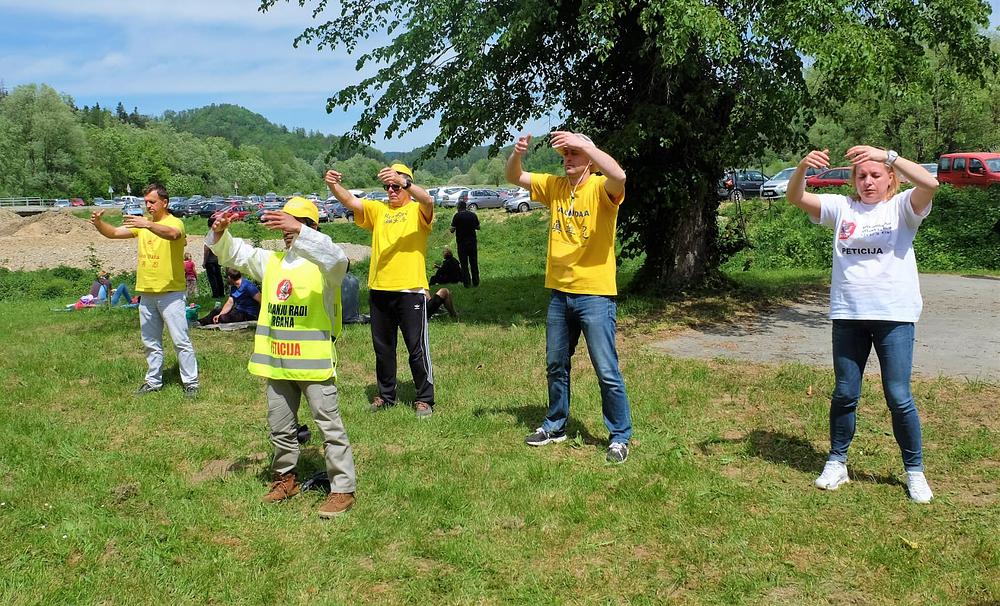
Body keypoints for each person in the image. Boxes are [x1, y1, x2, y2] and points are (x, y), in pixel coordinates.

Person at [786, 146, 938, 503]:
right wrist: (802, 167)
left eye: (876, 175)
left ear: (890, 179)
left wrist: (889, 155)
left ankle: (914, 471)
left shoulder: (902, 208)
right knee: (845, 393)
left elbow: (930, 183)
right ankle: (837, 462)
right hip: (849, 315)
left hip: (894, 316)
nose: (868, 182)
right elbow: (795, 196)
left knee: (898, 396)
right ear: (854, 181)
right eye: (862, 176)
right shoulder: (842, 207)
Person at [206, 197, 357, 517]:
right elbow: (236, 254)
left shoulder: (325, 266)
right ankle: (284, 477)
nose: (288, 229)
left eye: (297, 222)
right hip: (277, 362)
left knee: (329, 426)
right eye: (286, 222)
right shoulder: (272, 261)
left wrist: (302, 232)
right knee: (280, 426)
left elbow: (338, 258)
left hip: (313, 364)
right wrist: (220, 234)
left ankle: (343, 488)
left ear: (313, 227)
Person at [505, 131, 633, 463]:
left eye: (574, 153)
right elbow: (514, 175)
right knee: (555, 363)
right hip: (560, 294)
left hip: (595, 294)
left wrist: (587, 145)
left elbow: (620, 176)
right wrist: (517, 153)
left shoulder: (601, 187)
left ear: (590, 158)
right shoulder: (556, 187)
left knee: (606, 368)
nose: (568, 158)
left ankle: (620, 436)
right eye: (565, 153)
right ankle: (556, 425)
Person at [325, 163, 437, 418]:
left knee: (416, 348)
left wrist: (404, 181)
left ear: (407, 184)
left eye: (395, 185)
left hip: (410, 290)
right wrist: (332, 185)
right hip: (379, 290)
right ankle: (386, 396)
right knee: (383, 349)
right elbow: (352, 202)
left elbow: (428, 199)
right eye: (387, 186)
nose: (391, 190)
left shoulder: (417, 210)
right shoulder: (379, 210)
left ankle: (424, 399)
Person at [91, 183, 199, 397]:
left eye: (152, 202)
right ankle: (153, 382)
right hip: (147, 293)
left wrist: (146, 225)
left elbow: (172, 234)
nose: (148, 206)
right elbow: (112, 233)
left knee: (180, 340)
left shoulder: (174, 222)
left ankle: (191, 382)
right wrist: (98, 223)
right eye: (146, 202)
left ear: (164, 203)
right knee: (150, 342)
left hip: (171, 293)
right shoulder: (144, 225)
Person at [450, 200, 481, 287]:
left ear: (459, 207)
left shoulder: (457, 216)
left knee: (464, 264)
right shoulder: (473, 215)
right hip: (472, 242)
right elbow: (478, 227)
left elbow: (452, 230)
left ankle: (467, 283)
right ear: (465, 207)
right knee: (474, 262)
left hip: (462, 243)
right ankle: (476, 282)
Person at [204, 217, 225, 298]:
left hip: (210, 260)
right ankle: (222, 293)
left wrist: (204, 261)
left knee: (212, 278)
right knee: (219, 277)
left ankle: (215, 295)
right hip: (218, 259)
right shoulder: (219, 234)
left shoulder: (209, 234)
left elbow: (206, 249)